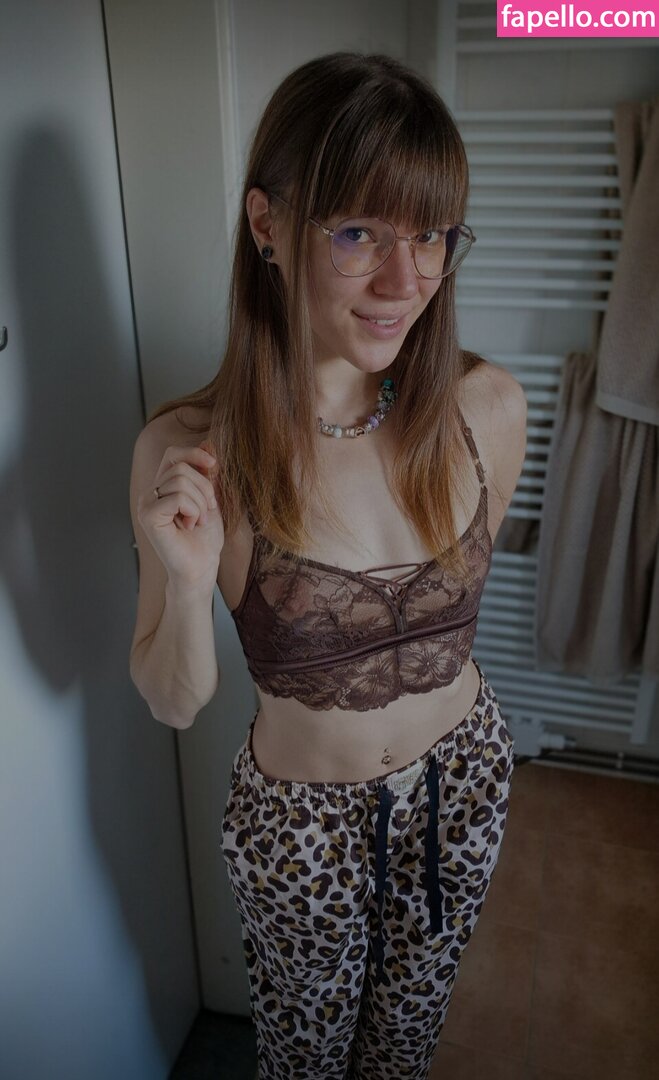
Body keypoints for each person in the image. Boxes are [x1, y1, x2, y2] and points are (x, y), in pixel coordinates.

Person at [129, 51, 527, 1080]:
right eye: (357, 233)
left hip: (463, 780)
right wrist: (187, 581)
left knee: (404, 1047)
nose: (405, 281)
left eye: (429, 236)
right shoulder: (192, 454)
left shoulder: (487, 409)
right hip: (300, 827)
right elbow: (174, 700)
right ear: (266, 224)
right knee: (302, 1060)